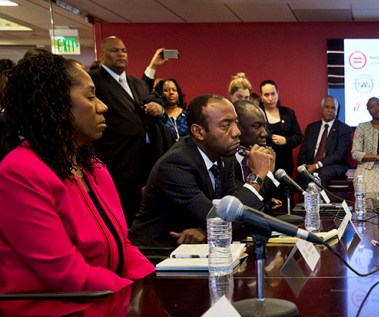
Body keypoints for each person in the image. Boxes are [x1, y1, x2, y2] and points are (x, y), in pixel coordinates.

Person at [0, 52, 154, 293]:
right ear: (55, 102)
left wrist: (155, 287)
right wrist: (132, 295)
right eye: (91, 96)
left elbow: (123, 247)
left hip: (106, 297)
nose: (103, 106)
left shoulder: (94, 167)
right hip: (60, 314)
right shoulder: (19, 173)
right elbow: (67, 275)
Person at [129, 94, 274, 248]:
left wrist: (206, 229)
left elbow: (230, 210)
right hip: (159, 253)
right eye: (225, 125)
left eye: (236, 123)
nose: (237, 132)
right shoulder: (175, 164)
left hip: (198, 249)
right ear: (198, 131)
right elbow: (230, 217)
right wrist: (256, 177)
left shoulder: (224, 157)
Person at [90, 36, 172, 226]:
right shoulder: (95, 82)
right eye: (114, 50)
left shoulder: (136, 83)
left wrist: (157, 107)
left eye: (124, 50)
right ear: (102, 55)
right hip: (117, 160)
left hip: (145, 160)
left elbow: (153, 97)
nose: (120, 54)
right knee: (122, 214)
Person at [233, 99, 282, 210]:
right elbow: (242, 206)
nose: (264, 133)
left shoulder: (256, 156)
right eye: (256, 126)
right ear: (237, 127)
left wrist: (268, 171)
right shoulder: (226, 159)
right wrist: (267, 173)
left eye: (264, 126)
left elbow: (264, 203)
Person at [297, 96, 351, 189]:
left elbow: (340, 154)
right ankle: (302, 203)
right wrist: (305, 166)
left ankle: (320, 203)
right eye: (327, 107)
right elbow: (303, 151)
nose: (330, 110)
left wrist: (317, 165)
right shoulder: (311, 128)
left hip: (333, 166)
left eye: (333, 108)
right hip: (311, 165)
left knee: (321, 174)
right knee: (294, 182)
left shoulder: (343, 129)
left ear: (337, 110)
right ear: (321, 109)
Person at [260, 79, 303, 178]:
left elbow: (299, 137)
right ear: (261, 96)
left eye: (273, 94)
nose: (270, 98)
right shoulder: (257, 113)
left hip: (285, 164)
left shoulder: (288, 113)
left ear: (278, 94)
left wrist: (286, 140)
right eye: (266, 95)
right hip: (264, 163)